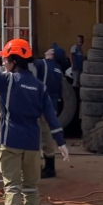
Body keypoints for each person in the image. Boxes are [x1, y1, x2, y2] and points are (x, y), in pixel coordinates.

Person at [0, 39, 69, 205]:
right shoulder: (39, 86)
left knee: (13, 186)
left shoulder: (6, 81)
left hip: (10, 141)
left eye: (5, 59)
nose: (3, 62)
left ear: (14, 61)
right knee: (31, 186)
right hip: (32, 143)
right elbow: (50, 117)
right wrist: (61, 143)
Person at [34, 48, 63, 178]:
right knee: (47, 135)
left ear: (51, 54)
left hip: (41, 105)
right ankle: (49, 166)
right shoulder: (58, 69)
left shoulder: (42, 63)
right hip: (53, 105)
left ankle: (47, 168)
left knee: (42, 136)